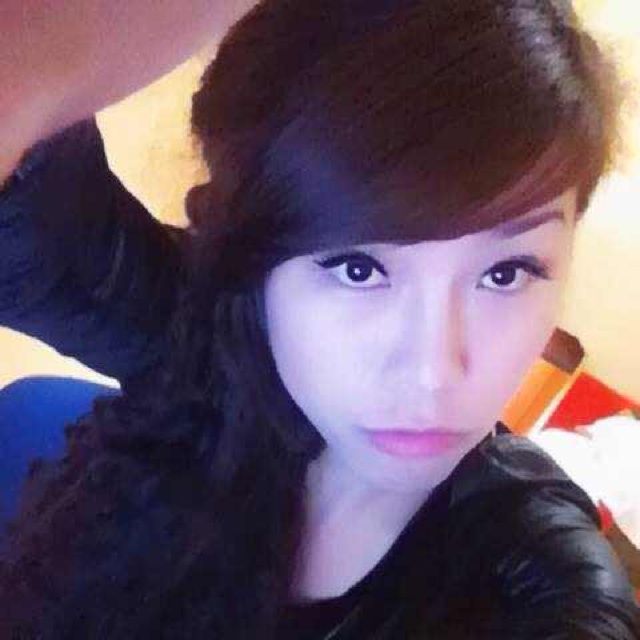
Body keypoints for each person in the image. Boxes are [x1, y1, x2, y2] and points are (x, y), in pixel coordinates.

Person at [0, 0, 639, 637]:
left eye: (505, 273)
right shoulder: (210, 339)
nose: (434, 372)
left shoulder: (534, 582)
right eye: (358, 269)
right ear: (258, 261)